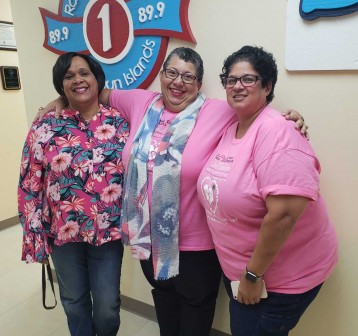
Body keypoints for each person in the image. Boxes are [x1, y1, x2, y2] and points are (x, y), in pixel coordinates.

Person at [37, 47, 307, 336]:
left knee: (194, 315)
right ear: (162, 76)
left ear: (199, 84)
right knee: (165, 306)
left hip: (196, 248)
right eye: (172, 73)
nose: (179, 82)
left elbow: (255, 110)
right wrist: (60, 99)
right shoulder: (140, 101)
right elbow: (91, 92)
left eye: (189, 77)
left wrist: (291, 120)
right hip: (149, 240)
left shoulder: (216, 110)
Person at [197, 45, 338, 336]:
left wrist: (252, 275)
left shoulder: (278, 132)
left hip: (272, 281)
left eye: (248, 79)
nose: (238, 86)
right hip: (240, 271)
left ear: (268, 86)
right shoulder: (233, 127)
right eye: (231, 80)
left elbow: (285, 214)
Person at [18, 52, 129, 336]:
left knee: (107, 307)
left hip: (107, 234)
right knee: (74, 303)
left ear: (96, 78)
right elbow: (29, 182)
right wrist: (35, 238)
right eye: (69, 76)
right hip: (61, 235)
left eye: (84, 73)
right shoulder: (46, 125)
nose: (78, 80)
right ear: (61, 84)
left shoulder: (120, 121)